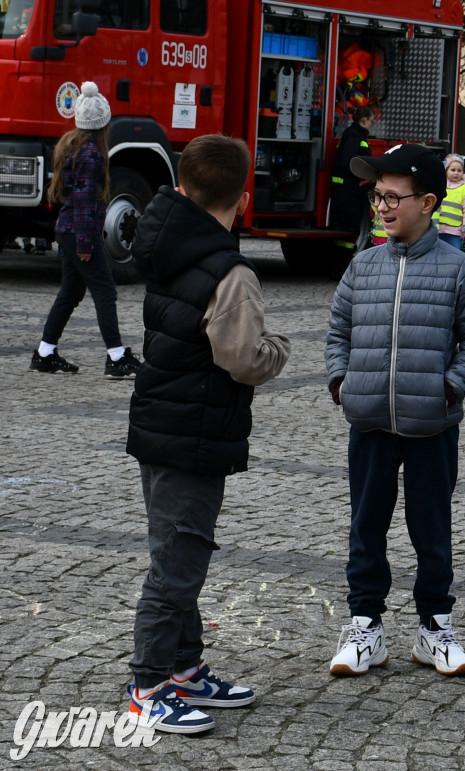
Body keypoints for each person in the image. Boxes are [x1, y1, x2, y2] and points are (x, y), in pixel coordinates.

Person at [125, 134, 291, 733]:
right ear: (242, 199)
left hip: (160, 421)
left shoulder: (169, 243)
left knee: (177, 550)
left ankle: (185, 668)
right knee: (177, 562)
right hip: (192, 430)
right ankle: (147, 684)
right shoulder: (230, 270)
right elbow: (243, 358)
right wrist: (279, 349)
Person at [325, 143, 465, 677]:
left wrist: (450, 388)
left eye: (392, 197)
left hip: (432, 425)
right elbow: (338, 333)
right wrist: (341, 381)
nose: (381, 206)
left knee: (431, 528)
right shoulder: (362, 265)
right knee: (366, 526)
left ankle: (435, 628)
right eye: (376, 196)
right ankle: (365, 627)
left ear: (426, 202)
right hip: (370, 420)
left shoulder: (458, 269)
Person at [29, 81, 143, 378]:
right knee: (105, 291)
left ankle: (45, 352)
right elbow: (82, 200)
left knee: (71, 291)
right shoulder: (91, 154)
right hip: (80, 231)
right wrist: (84, 243)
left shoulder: (73, 146)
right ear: (103, 125)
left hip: (67, 229)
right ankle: (116, 357)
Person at [329, 106, 373, 245]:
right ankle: (344, 259)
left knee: (348, 228)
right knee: (348, 228)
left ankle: (344, 255)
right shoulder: (354, 136)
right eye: (370, 121)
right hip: (348, 191)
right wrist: (360, 178)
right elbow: (347, 162)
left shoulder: (354, 135)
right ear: (364, 120)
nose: (371, 124)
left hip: (348, 190)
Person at [434, 154, 465, 251]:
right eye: (453, 170)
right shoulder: (440, 185)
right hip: (438, 228)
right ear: (446, 170)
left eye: (459, 170)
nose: (456, 173)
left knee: (454, 254)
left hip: (456, 230)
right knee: (438, 254)